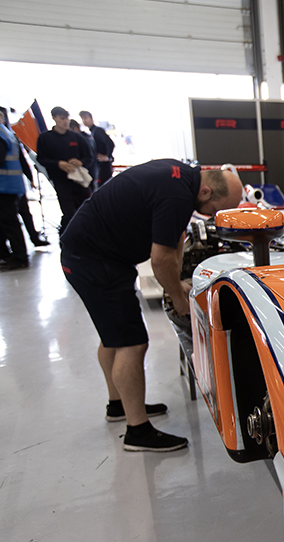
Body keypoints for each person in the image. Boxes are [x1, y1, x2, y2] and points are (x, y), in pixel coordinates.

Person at [60, 159, 243, 452]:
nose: (212, 215)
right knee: (132, 344)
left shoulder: (183, 178)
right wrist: (179, 298)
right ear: (206, 192)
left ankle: (118, 404)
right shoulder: (177, 196)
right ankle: (138, 430)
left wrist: (179, 281)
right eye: (214, 210)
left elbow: (177, 237)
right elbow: (160, 260)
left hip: (90, 254)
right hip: (95, 262)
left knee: (112, 337)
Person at [35, 106, 93, 233]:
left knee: (85, 209)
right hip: (61, 181)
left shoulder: (77, 138)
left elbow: (89, 157)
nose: (65, 121)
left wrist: (81, 162)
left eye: (67, 118)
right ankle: (67, 237)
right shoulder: (45, 138)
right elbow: (41, 159)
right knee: (69, 212)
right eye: (62, 118)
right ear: (54, 118)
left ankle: (85, 235)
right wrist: (58, 164)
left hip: (80, 180)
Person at [0, 111, 29, 271]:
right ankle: (12, 255)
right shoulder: (8, 133)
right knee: (9, 222)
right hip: (11, 184)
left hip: (4, 186)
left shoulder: (1, 135)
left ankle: (19, 258)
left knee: (10, 223)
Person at [80, 110, 115, 188]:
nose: (84, 120)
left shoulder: (97, 131)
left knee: (102, 187)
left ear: (91, 118)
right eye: (82, 118)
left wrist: (107, 157)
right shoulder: (91, 133)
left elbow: (110, 143)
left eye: (86, 118)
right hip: (98, 165)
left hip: (103, 166)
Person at [70, 118, 98, 191]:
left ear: (75, 129)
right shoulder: (88, 137)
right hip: (93, 171)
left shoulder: (81, 140)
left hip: (86, 173)